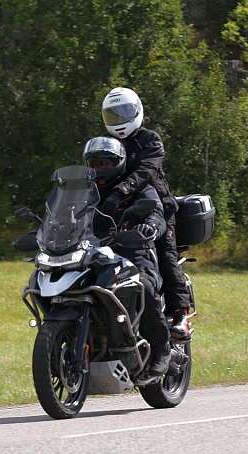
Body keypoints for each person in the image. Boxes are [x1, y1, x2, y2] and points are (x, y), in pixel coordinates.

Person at [98, 87, 193, 338]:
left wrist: (121, 190)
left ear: (137, 112)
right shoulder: (106, 143)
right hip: (115, 208)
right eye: (113, 115)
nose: (119, 120)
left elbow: (147, 171)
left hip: (156, 205)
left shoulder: (150, 139)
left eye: (124, 113)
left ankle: (179, 315)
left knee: (165, 254)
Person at [82, 136, 171, 381]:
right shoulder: (84, 191)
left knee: (142, 285)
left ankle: (162, 350)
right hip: (95, 255)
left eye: (105, 162)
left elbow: (155, 212)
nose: (100, 168)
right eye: (95, 163)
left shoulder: (137, 188)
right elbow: (65, 216)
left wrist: (149, 227)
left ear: (119, 162)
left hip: (134, 252)